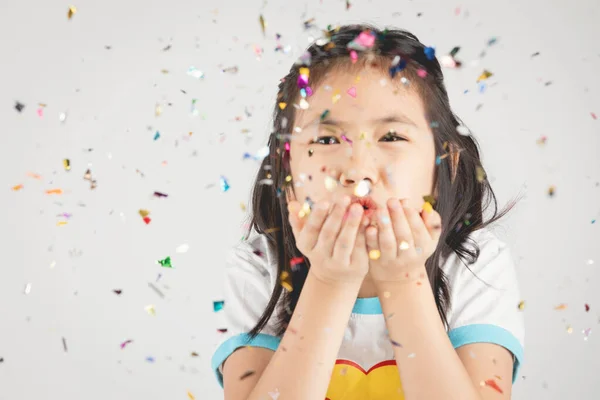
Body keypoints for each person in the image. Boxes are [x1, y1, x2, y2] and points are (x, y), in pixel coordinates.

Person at [210, 24, 524, 400]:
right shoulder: (259, 267)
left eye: (391, 137)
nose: (358, 171)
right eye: (326, 139)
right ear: (286, 172)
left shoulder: (475, 263)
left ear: (445, 164)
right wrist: (330, 282)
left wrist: (403, 281)